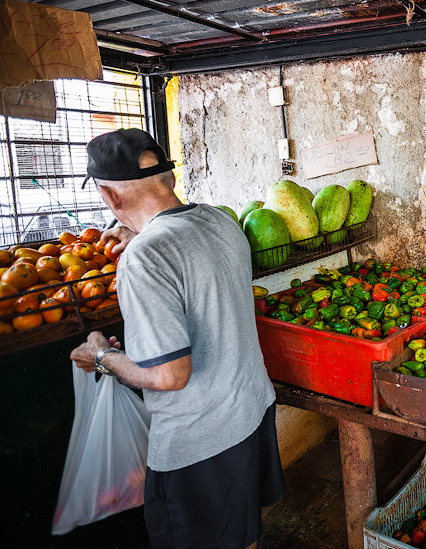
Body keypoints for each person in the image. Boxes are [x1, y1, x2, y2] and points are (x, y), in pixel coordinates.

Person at [69, 128, 285, 549]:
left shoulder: (145, 257)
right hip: (252, 413)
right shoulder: (219, 220)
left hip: (200, 443)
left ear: (111, 198)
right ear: (168, 179)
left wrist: (101, 357)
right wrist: (141, 236)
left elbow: (169, 376)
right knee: (241, 537)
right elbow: (190, 256)